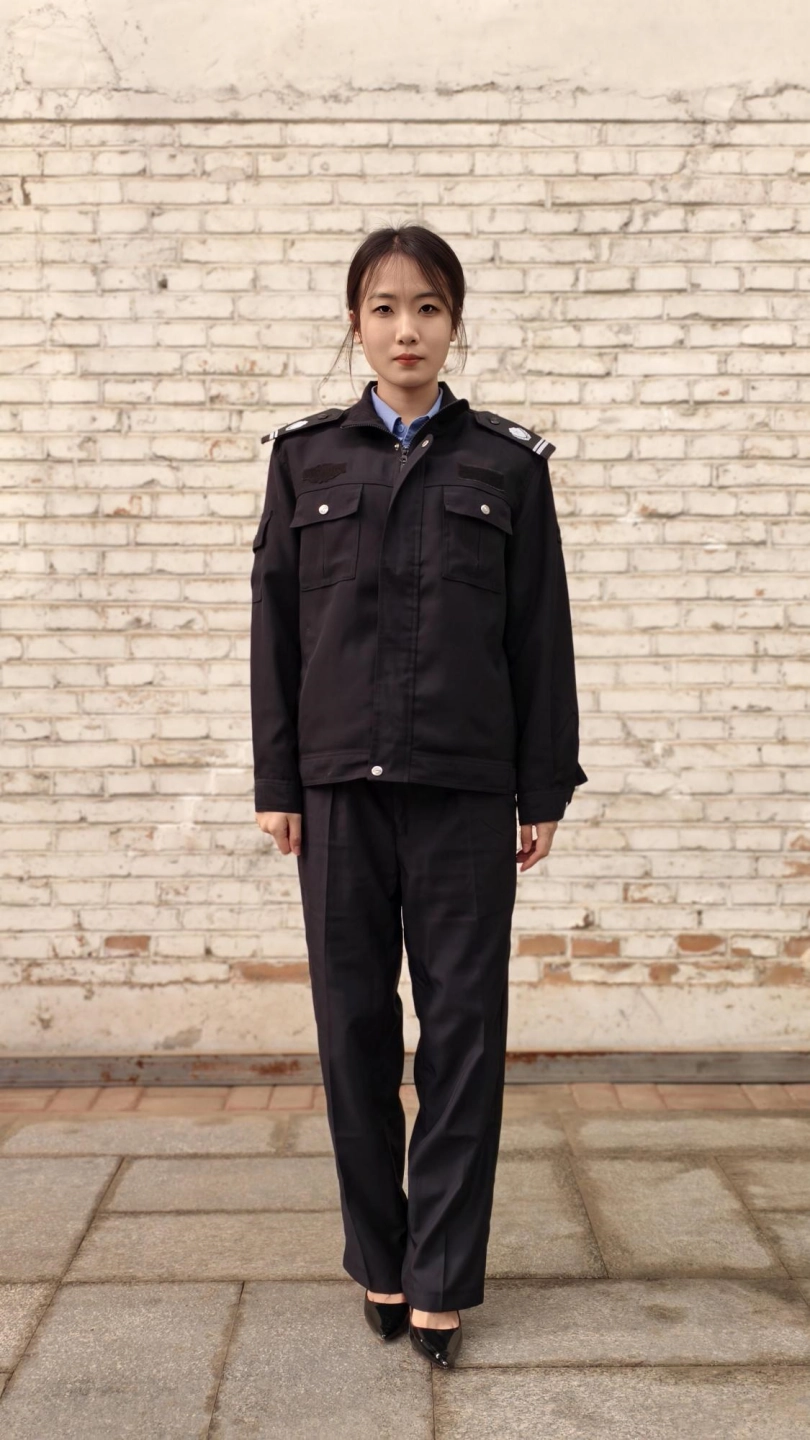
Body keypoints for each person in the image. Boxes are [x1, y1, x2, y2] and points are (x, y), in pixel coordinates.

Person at [250, 223, 587, 1369]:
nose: (408, 329)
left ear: (455, 323)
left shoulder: (506, 465)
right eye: (386, 308)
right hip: (339, 790)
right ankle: (380, 1260)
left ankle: (440, 1278)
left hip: (464, 789)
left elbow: (540, 637)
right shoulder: (306, 460)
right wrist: (278, 780)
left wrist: (542, 786)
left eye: (429, 307)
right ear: (356, 323)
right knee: (351, 1031)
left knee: (463, 1037)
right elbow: (274, 632)